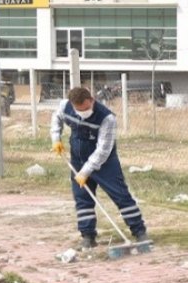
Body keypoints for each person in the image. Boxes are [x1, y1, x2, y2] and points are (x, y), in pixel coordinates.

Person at [50, 86, 148, 249]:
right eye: (80, 110)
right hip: (78, 159)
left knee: (121, 196)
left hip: (105, 164)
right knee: (82, 199)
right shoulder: (65, 106)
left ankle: (139, 232)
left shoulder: (107, 118)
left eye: (87, 108)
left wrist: (86, 171)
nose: (84, 112)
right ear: (73, 105)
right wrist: (56, 138)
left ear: (92, 100)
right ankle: (88, 236)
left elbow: (103, 149)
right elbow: (56, 118)